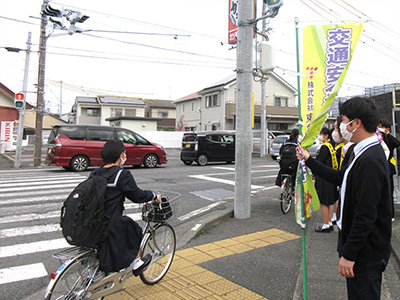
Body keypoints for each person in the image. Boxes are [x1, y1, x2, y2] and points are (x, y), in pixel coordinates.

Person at [297, 97, 392, 300]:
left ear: (356, 123)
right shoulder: (360, 152)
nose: (340, 125)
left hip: (365, 254)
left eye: (344, 120)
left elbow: (366, 214)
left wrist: (350, 255)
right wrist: (308, 160)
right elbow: (340, 177)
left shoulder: (370, 160)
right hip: (363, 250)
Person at [94, 140, 161, 275]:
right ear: (120, 155)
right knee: (134, 229)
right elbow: (137, 196)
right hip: (110, 223)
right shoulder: (122, 174)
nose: (125, 155)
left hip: (93, 221)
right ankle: (137, 263)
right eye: (124, 153)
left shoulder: (96, 173)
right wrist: (153, 195)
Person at [314, 127, 338, 232]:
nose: (319, 136)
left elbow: (318, 162)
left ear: (326, 136)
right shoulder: (331, 146)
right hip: (331, 177)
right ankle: (328, 222)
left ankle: (326, 224)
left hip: (323, 178)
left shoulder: (324, 147)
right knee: (328, 202)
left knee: (323, 202)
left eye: (321, 134)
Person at [378, 119, 400, 221]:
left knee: (389, 191)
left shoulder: (388, 139)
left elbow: (396, 143)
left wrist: (387, 135)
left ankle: (390, 214)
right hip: (380, 166)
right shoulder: (378, 138)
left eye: (381, 126)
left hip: (388, 167)